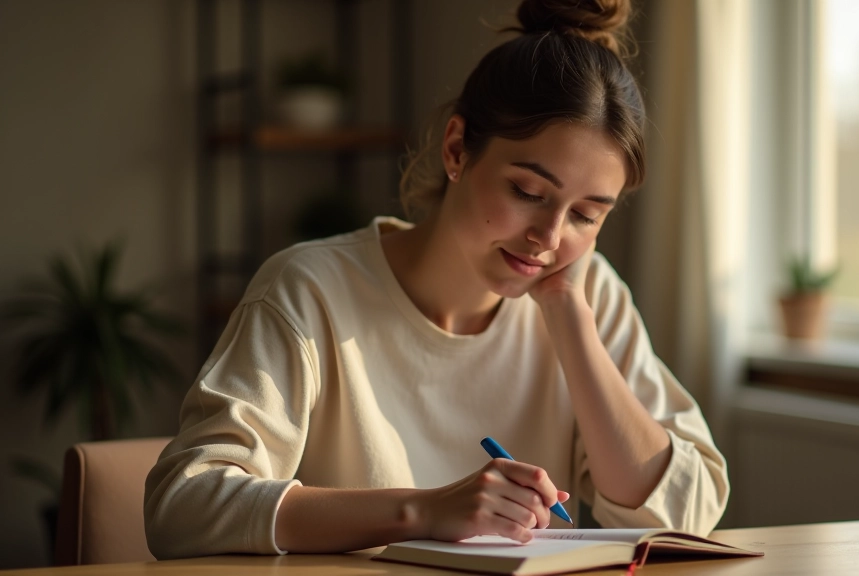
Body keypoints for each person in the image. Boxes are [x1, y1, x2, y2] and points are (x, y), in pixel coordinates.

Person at [144, 0, 728, 559]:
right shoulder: (310, 290)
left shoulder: (586, 291)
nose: (549, 238)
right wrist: (422, 511)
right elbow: (182, 504)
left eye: (586, 215)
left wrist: (570, 319)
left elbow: (688, 513)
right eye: (527, 192)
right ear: (456, 150)